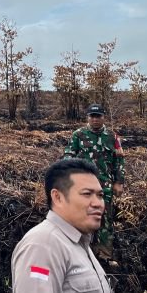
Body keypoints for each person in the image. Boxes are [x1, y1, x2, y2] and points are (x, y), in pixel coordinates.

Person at [11, 158, 112, 293]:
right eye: (87, 194)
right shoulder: (42, 246)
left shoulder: (78, 242)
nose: (98, 203)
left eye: (100, 195)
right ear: (58, 197)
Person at [63, 103, 125, 265]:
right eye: (92, 116)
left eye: (98, 116)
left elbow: (119, 161)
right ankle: (83, 252)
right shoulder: (79, 135)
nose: (95, 119)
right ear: (87, 118)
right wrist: (67, 178)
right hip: (83, 186)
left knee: (106, 219)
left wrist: (119, 182)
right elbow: (69, 155)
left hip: (105, 186)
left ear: (103, 117)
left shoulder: (112, 136)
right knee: (83, 216)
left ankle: (104, 254)